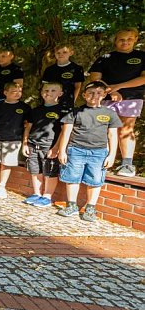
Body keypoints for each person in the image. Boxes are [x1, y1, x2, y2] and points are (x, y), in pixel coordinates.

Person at [56, 81, 121, 221]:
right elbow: (66, 133)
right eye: (91, 93)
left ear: (104, 95)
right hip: (76, 150)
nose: (94, 96)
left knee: (95, 180)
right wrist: (62, 151)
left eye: (99, 93)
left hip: (99, 153)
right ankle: (71, 205)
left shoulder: (110, 114)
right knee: (72, 178)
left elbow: (113, 135)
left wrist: (111, 155)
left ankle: (90, 208)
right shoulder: (75, 112)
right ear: (84, 95)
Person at [87, 28, 145, 177]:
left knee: (126, 129)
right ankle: (101, 161)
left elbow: (143, 78)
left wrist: (119, 86)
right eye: (121, 39)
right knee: (105, 129)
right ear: (115, 40)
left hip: (132, 98)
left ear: (135, 39)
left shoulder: (142, 56)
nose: (125, 42)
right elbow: (94, 78)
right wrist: (111, 91)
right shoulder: (105, 57)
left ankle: (127, 165)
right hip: (106, 97)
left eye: (129, 39)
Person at [0, 82, 30, 199]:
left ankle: (2, 186)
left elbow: (28, 126)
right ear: (5, 92)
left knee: (7, 164)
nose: (17, 93)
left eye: (19, 91)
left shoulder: (24, 107)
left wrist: (24, 143)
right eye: (13, 91)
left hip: (13, 140)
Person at [22, 83, 68, 207]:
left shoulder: (64, 110)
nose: (49, 92)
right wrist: (25, 143)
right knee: (35, 170)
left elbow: (64, 131)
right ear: (42, 92)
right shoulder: (35, 110)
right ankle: (37, 194)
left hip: (49, 146)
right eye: (46, 90)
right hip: (33, 145)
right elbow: (28, 127)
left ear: (60, 94)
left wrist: (56, 148)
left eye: (53, 90)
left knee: (50, 172)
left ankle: (47, 196)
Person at [41, 44, 84, 108]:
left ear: (71, 53)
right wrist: (47, 100)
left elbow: (77, 87)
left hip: (67, 102)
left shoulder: (77, 69)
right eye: (58, 53)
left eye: (64, 52)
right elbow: (45, 87)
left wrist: (72, 101)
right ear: (55, 54)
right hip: (50, 101)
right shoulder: (49, 70)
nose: (61, 54)